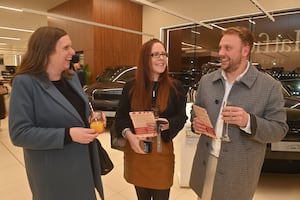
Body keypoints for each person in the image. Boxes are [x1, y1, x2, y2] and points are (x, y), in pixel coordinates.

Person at [189, 26, 288, 200]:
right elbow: (196, 111)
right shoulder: (207, 81)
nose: (221, 53)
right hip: (205, 163)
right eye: (220, 47)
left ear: (245, 50)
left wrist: (248, 121)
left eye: (228, 48)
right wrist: (196, 122)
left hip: (238, 172)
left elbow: (279, 129)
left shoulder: (269, 87)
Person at [8, 26, 106, 200]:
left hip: (83, 166)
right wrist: (68, 135)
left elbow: (76, 113)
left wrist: (91, 119)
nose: (73, 52)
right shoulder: (25, 83)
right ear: (46, 51)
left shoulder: (71, 77)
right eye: (66, 47)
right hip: (54, 173)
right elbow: (19, 134)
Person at [115, 38, 187, 200]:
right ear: (145, 59)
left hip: (162, 155)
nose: (162, 58)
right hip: (138, 152)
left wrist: (169, 124)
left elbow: (182, 117)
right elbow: (121, 117)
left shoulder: (176, 88)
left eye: (164, 54)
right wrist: (129, 135)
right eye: (156, 54)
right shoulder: (131, 87)